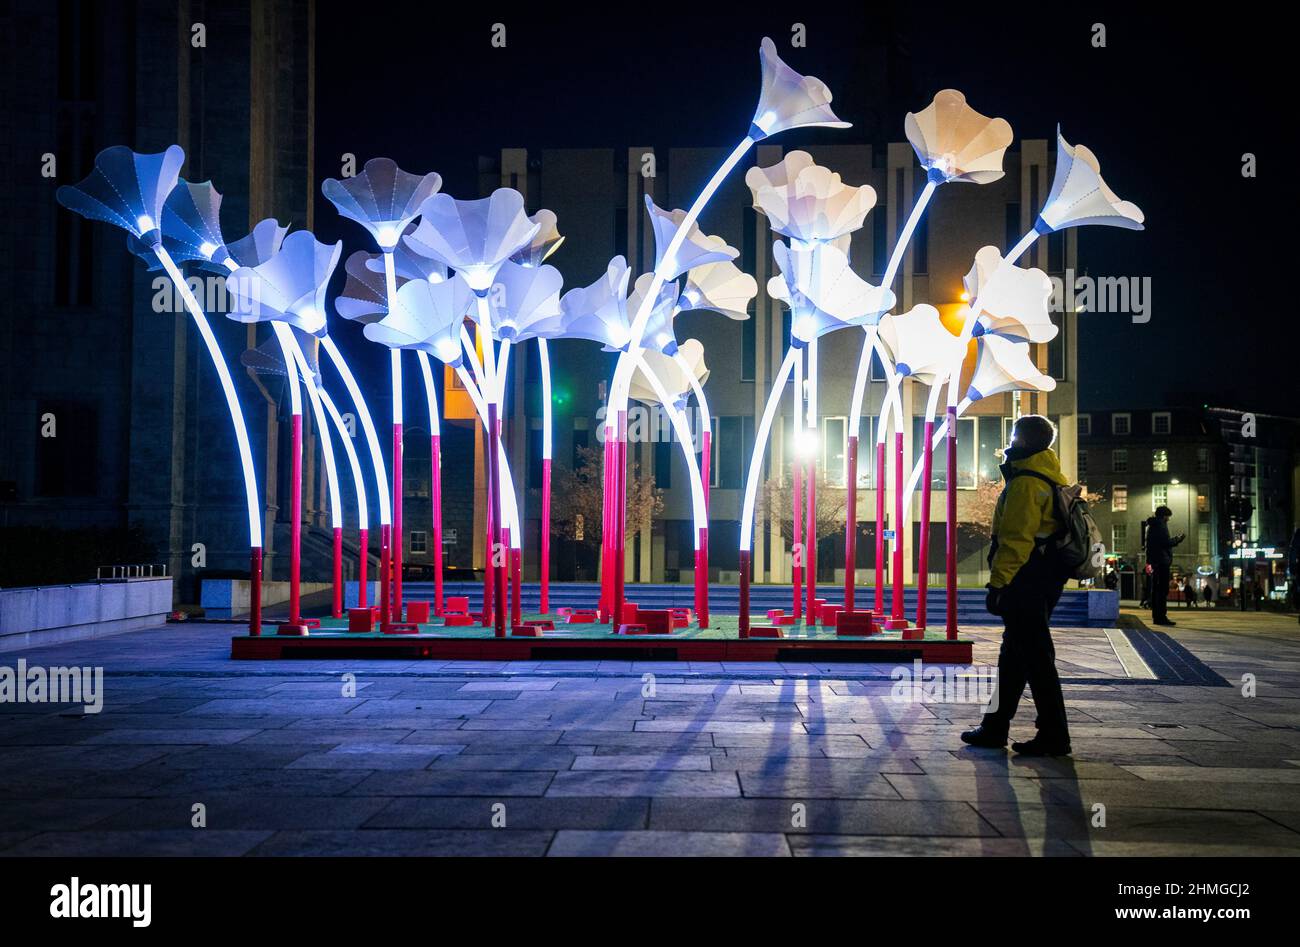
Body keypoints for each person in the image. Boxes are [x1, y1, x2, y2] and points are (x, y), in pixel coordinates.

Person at [961, 415, 1072, 757]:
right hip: (1046, 577)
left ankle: (1054, 734)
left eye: (1013, 435)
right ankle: (995, 726)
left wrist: (998, 583)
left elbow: (1016, 539)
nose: (1009, 440)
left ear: (1022, 440)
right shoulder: (1051, 477)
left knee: (1036, 657)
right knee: (1016, 655)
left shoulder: (1027, 482)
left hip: (1026, 578)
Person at [1143, 506, 1184, 626]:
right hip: (1161, 561)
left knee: (1157, 590)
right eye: (1168, 517)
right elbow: (1165, 543)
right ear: (1164, 516)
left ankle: (1157, 616)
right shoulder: (1160, 525)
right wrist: (1178, 539)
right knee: (1162, 590)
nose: (1168, 519)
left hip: (1155, 560)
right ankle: (1161, 617)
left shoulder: (1152, 525)